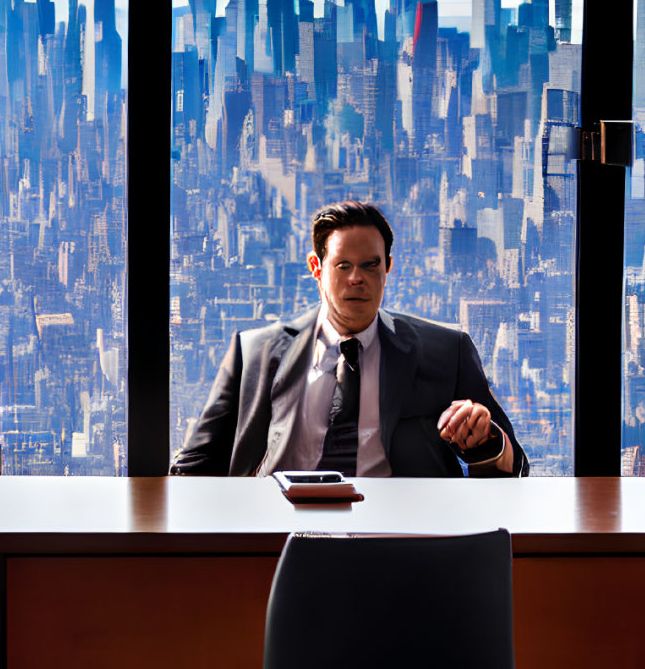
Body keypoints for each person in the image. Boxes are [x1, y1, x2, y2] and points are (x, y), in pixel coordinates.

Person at [171, 201, 529, 478]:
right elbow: (193, 467)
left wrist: (485, 438)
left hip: (400, 542)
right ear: (317, 267)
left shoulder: (446, 352)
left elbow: (516, 466)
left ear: (387, 266)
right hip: (277, 537)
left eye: (370, 265)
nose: (357, 278)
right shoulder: (254, 353)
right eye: (343, 265)